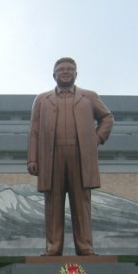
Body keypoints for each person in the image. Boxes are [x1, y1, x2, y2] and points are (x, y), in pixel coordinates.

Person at [27, 57, 114, 256]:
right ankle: (53, 246)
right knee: (53, 203)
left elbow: (107, 117)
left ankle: (84, 246)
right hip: (52, 157)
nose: (65, 72)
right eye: (61, 69)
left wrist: (97, 138)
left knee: (81, 202)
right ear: (54, 75)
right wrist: (32, 158)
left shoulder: (89, 97)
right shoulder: (42, 99)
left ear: (76, 74)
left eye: (70, 69)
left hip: (80, 156)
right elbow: (34, 130)